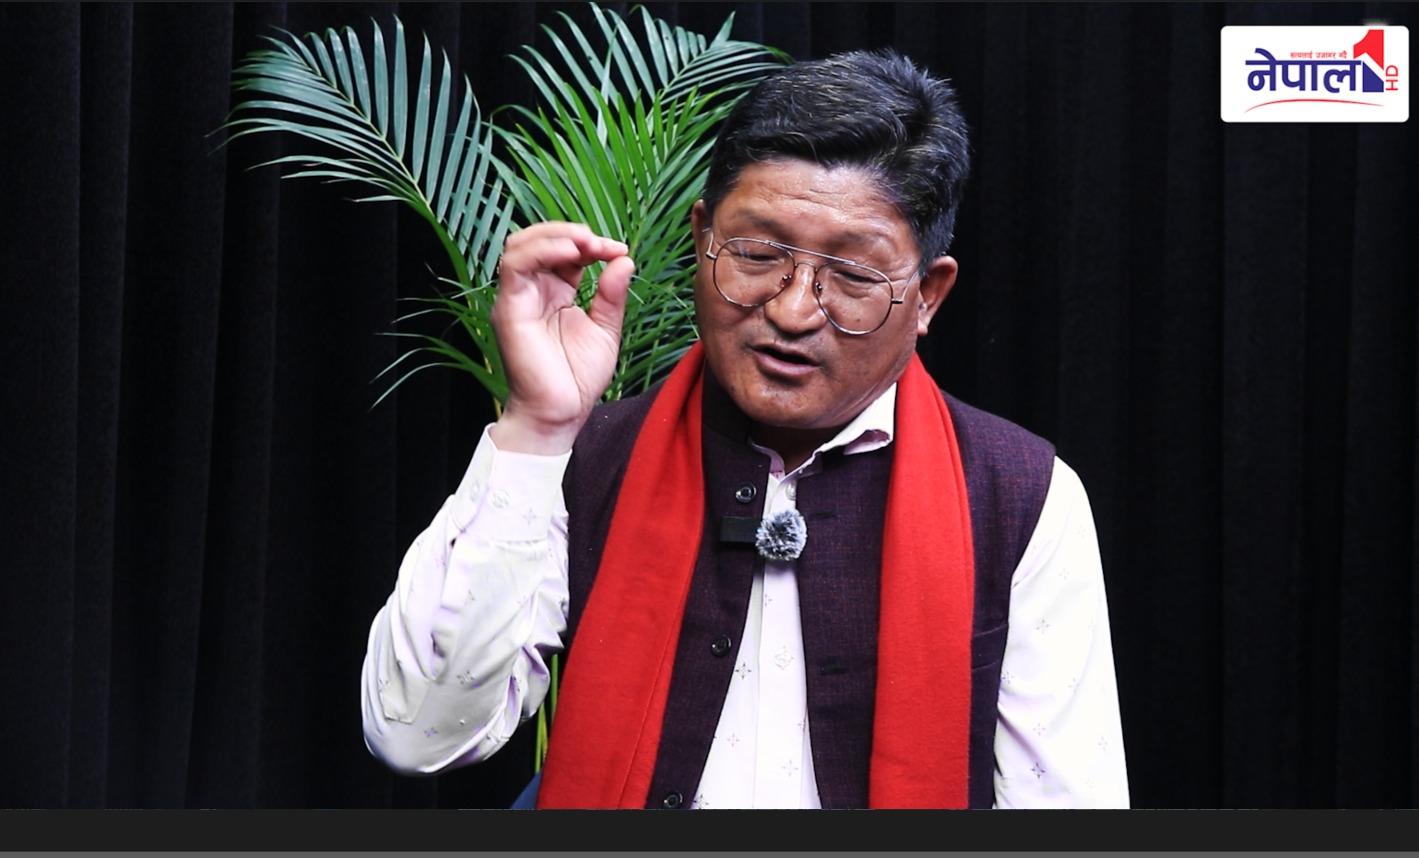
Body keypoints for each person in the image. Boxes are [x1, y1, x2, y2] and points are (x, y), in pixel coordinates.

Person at [360, 48, 1129, 809]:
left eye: (853, 276)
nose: (792, 311)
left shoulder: (1019, 494)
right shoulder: (590, 461)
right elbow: (415, 736)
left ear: (926, 295)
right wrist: (538, 428)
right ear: (701, 236)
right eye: (757, 254)